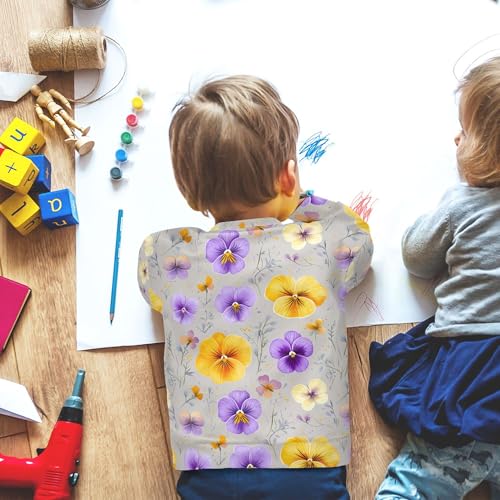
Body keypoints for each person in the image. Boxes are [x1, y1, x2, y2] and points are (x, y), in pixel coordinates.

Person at [137, 75, 373, 499]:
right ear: (288, 176)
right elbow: (360, 240)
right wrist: (301, 201)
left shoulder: (166, 253)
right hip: (309, 460)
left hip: (207, 463)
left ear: (190, 193)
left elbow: (150, 291)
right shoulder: (324, 241)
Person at [369, 57, 500, 499]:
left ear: (483, 154)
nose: (456, 139)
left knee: (421, 479)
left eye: (466, 132)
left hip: (467, 385)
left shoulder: (464, 204)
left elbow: (416, 258)